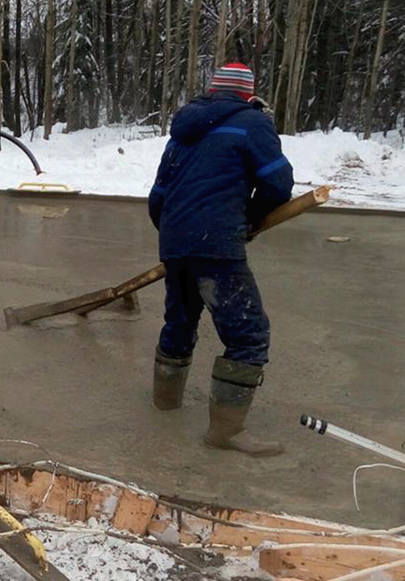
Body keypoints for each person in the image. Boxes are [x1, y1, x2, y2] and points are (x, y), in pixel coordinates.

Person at [147, 63, 294, 457]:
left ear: (210, 91)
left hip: (175, 240)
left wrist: (175, 237)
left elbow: (159, 194)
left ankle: (165, 404)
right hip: (216, 245)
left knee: (179, 321)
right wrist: (247, 218)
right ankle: (225, 432)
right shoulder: (252, 123)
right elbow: (278, 184)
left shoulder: (183, 129)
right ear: (248, 93)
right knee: (248, 335)